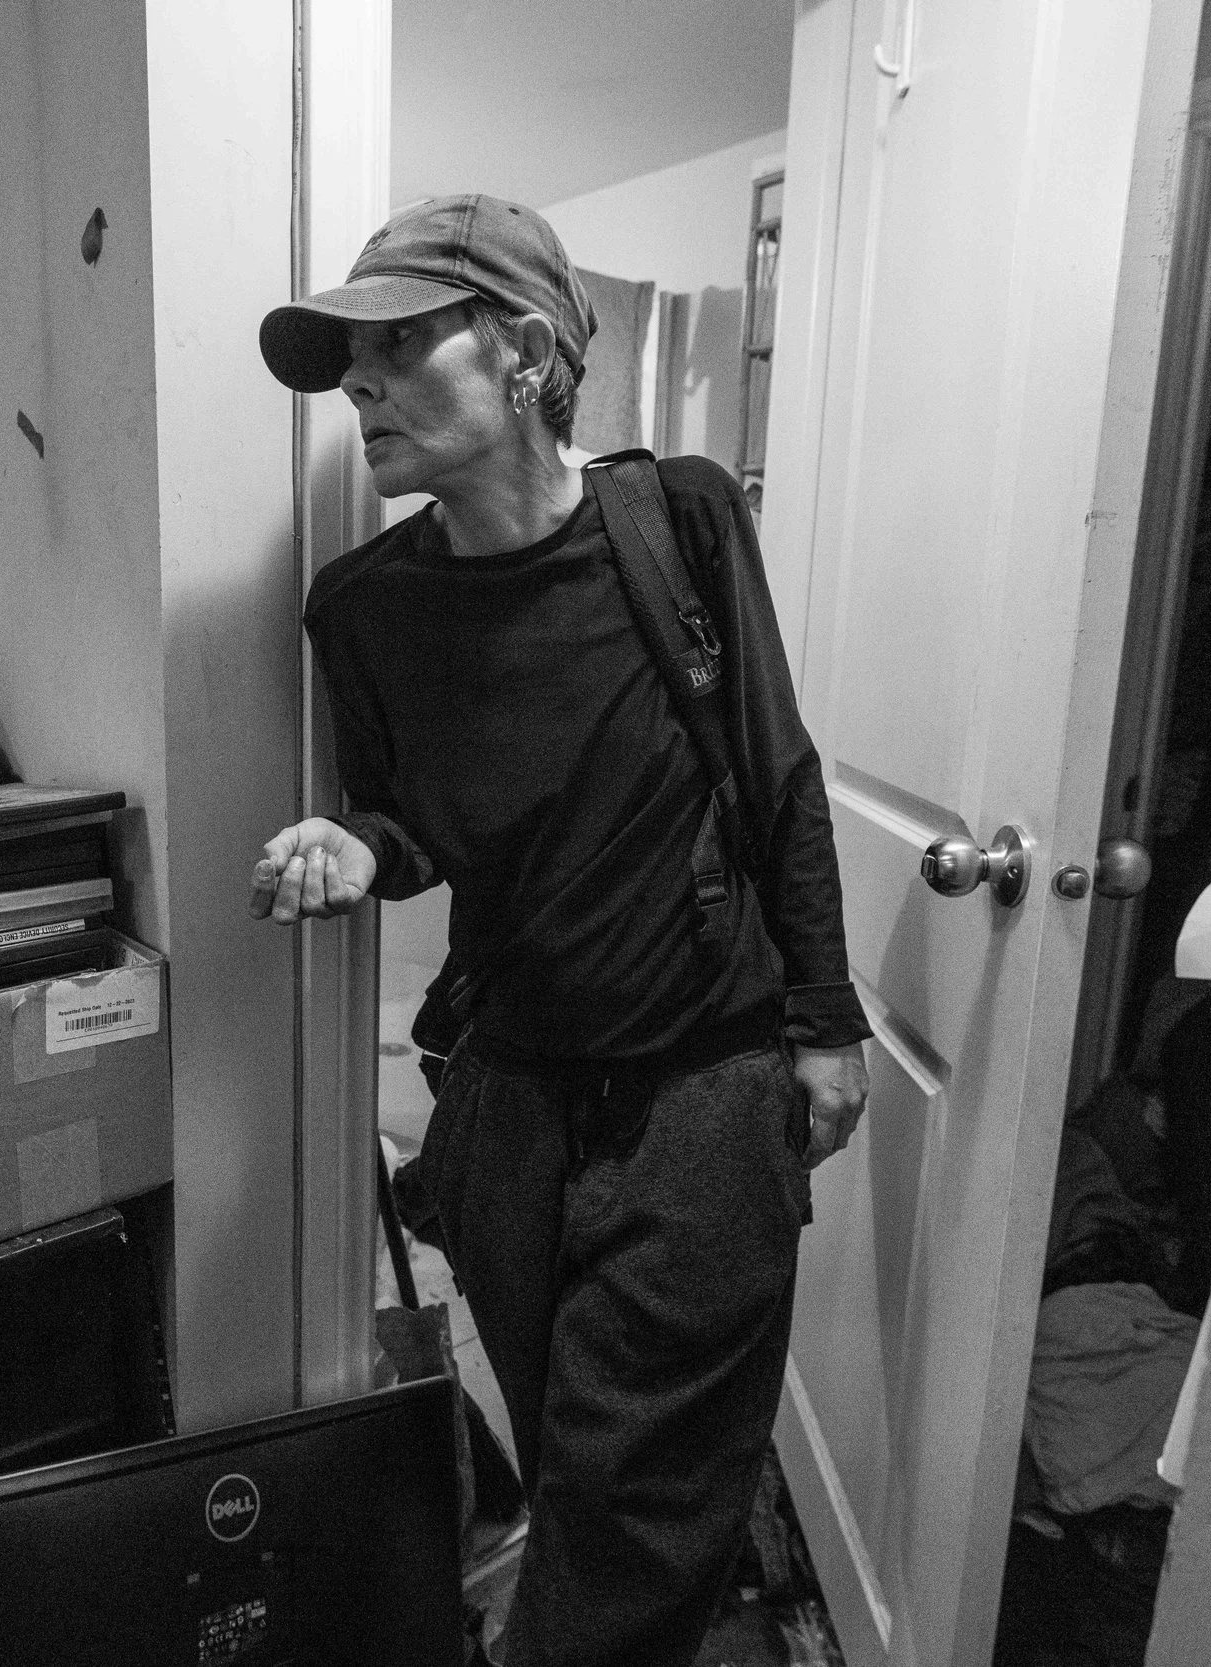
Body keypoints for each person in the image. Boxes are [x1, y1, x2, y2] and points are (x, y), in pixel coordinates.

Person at [249, 194, 871, 1667]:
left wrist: (827, 1014)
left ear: (526, 351)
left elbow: (779, 777)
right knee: (584, 1464)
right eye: (353, 356)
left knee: (628, 1516)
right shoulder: (364, 611)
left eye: (401, 343)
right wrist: (357, 842)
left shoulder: (681, 521)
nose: (361, 384)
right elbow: (418, 826)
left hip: (704, 1090)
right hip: (508, 1109)